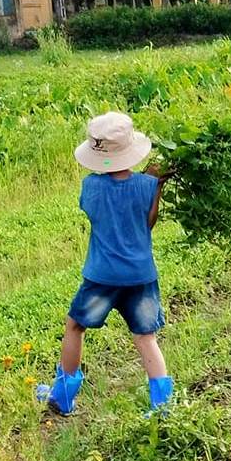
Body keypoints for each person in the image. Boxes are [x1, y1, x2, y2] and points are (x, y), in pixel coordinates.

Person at [38, 112, 173, 416]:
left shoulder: (91, 187)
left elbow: (98, 211)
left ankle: (64, 395)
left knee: (75, 326)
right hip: (140, 276)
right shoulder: (147, 184)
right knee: (146, 337)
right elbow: (148, 223)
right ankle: (163, 407)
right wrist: (156, 185)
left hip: (102, 277)